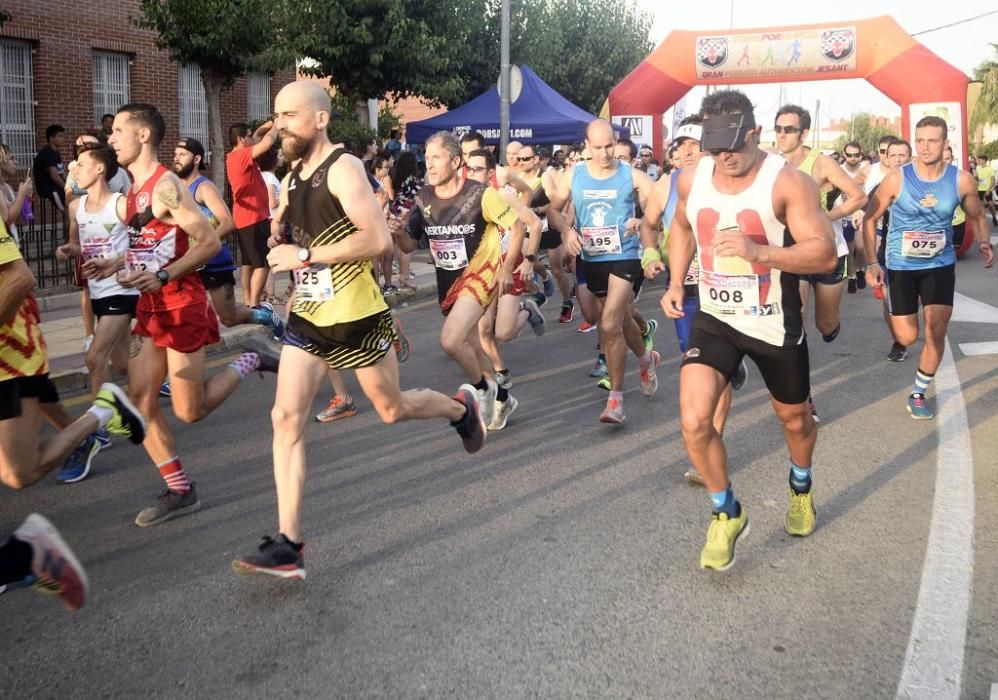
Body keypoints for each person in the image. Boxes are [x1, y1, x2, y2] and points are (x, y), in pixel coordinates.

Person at [233, 83, 486, 579]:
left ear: (321, 120)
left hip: (356, 316)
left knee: (392, 409)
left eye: (290, 115)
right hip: (309, 315)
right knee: (285, 417)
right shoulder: (291, 177)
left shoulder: (344, 168)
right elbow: (310, 239)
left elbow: (376, 242)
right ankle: (289, 544)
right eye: (277, 115)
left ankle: (461, 407)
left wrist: (305, 255)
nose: (280, 124)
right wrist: (288, 242)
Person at [660, 89, 837, 571]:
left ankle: (801, 485)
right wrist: (677, 280)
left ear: (755, 134)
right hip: (716, 318)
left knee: (794, 420)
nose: (725, 159)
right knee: (695, 421)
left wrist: (762, 254)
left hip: (773, 320)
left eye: (733, 148)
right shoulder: (691, 180)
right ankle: (726, 513)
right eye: (716, 150)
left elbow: (823, 253)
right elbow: (679, 227)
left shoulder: (788, 183)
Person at [105, 103, 281, 527]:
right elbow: (148, 244)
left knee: (190, 411)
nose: (111, 138)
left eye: (118, 131)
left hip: (182, 305)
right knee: (140, 402)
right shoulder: (132, 189)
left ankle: (252, 356)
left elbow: (206, 241)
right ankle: (181, 490)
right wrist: (115, 266)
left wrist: (163, 274)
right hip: (151, 308)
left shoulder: (165, 186)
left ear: (143, 135)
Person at [393, 131, 526, 428]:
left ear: (455, 161)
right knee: (471, 347)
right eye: (426, 158)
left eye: (436, 157)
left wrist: (506, 269)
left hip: (480, 276)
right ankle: (502, 397)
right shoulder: (424, 198)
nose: (430, 164)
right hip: (449, 283)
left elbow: (516, 228)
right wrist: (398, 232)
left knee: (450, 341)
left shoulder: (480, 194)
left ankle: (483, 389)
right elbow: (409, 246)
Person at [864, 116, 994, 420]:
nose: (924, 146)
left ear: (945, 143)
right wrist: (872, 262)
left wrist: (986, 241)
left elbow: (976, 215)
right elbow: (869, 218)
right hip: (900, 265)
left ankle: (918, 392)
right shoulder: (897, 178)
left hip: (940, 264)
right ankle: (894, 307)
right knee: (908, 337)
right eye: (919, 140)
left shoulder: (961, 180)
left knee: (936, 333)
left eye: (932, 140)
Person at [641, 115, 745, 485]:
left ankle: (711, 446)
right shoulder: (664, 187)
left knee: (716, 367)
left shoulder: (733, 183)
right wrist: (651, 254)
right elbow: (648, 225)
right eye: (679, 147)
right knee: (696, 359)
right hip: (684, 284)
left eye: (693, 146)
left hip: (730, 283)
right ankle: (729, 370)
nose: (686, 153)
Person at [547, 120, 657, 424]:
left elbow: (658, 205)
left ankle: (616, 401)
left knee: (609, 325)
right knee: (619, 320)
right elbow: (554, 210)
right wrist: (567, 230)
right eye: (597, 147)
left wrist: (644, 221)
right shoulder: (575, 175)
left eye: (609, 146)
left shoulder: (631, 175)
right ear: (586, 145)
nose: (605, 153)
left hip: (624, 256)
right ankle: (646, 359)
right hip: (591, 257)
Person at [774, 105, 867, 421]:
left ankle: (832, 325)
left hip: (830, 253)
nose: (782, 135)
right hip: (794, 255)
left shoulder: (822, 163)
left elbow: (857, 197)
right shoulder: (771, 166)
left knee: (824, 325)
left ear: (803, 134)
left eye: (788, 129)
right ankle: (804, 397)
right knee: (795, 324)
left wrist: (825, 218)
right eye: (778, 128)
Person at [55, 143, 140, 479]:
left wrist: (114, 262)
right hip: (98, 290)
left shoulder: (120, 204)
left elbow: (142, 243)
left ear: (100, 169)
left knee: (94, 358)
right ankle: (138, 403)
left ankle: (97, 430)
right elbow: (79, 244)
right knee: (121, 364)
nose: (74, 169)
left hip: (122, 287)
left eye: (81, 164)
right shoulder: (76, 207)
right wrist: (69, 249)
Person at [172, 137, 283, 336]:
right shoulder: (174, 189)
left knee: (229, 318)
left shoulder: (203, 188)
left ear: (196, 159)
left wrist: (204, 243)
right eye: (175, 154)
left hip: (213, 262)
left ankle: (265, 315)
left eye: (182, 154)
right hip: (187, 261)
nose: (176, 158)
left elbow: (228, 222)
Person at [467, 147, 544, 428]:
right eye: (468, 168)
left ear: (490, 174)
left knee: (504, 332)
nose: (471, 174)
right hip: (485, 274)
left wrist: (530, 261)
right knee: (483, 331)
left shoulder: (503, 196)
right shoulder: (466, 203)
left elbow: (534, 224)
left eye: (477, 169)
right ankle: (502, 377)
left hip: (510, 268)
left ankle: (527, 308)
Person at [227, 121, 281, 308]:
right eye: (248, 136)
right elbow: (265, 144)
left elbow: (258, 139)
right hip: (254, 218)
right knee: (262, 264)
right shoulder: (241, 156)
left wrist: (267, 124)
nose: (253, 138)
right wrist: (278, 126)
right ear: (241, 139)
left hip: (245, 218)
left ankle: (250, 302)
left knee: (248, 264)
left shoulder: (236, 156)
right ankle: (255, 304)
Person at [839, 140, 869, 293]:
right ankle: (851, 278)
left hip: (862, 214)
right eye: (849, 155)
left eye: (856, 155)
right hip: (845, 214)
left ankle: (860, 270)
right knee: (849, 250)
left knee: (861, 247)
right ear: (844, 155)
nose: (852, 158)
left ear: (861, 155)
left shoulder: (866, 170)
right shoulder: (839, 170)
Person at [0, 144, 33, 249]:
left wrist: (27, 197)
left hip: (12, 244)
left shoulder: (7, 187)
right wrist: (21, 195)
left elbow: (18, 218)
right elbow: (7, 219)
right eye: (11, 158)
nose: (16, 162)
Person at [32, 124, 66, 212]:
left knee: (74, 197)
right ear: (51, 138)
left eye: (63, 136)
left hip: (55, 186)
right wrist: (66, 188)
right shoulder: (48, 152)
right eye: (60, 136)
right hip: (47, 188)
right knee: (68, 209)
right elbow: (54, 176)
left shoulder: (56, 152)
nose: (63, 139)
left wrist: (71, 184)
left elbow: (62, 173)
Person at [975, 155, 998, 226]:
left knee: (991, 205)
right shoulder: (977, 168)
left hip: (987, 190)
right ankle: (982, 222)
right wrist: (976, 178)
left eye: (980, 160)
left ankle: (994, 217)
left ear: (984, 161)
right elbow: (977, 178)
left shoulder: (989, 169)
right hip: (980, 190)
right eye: (978, 160)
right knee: (981, 207)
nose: (978, 161)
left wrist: (989, 190)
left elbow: (993, 180)